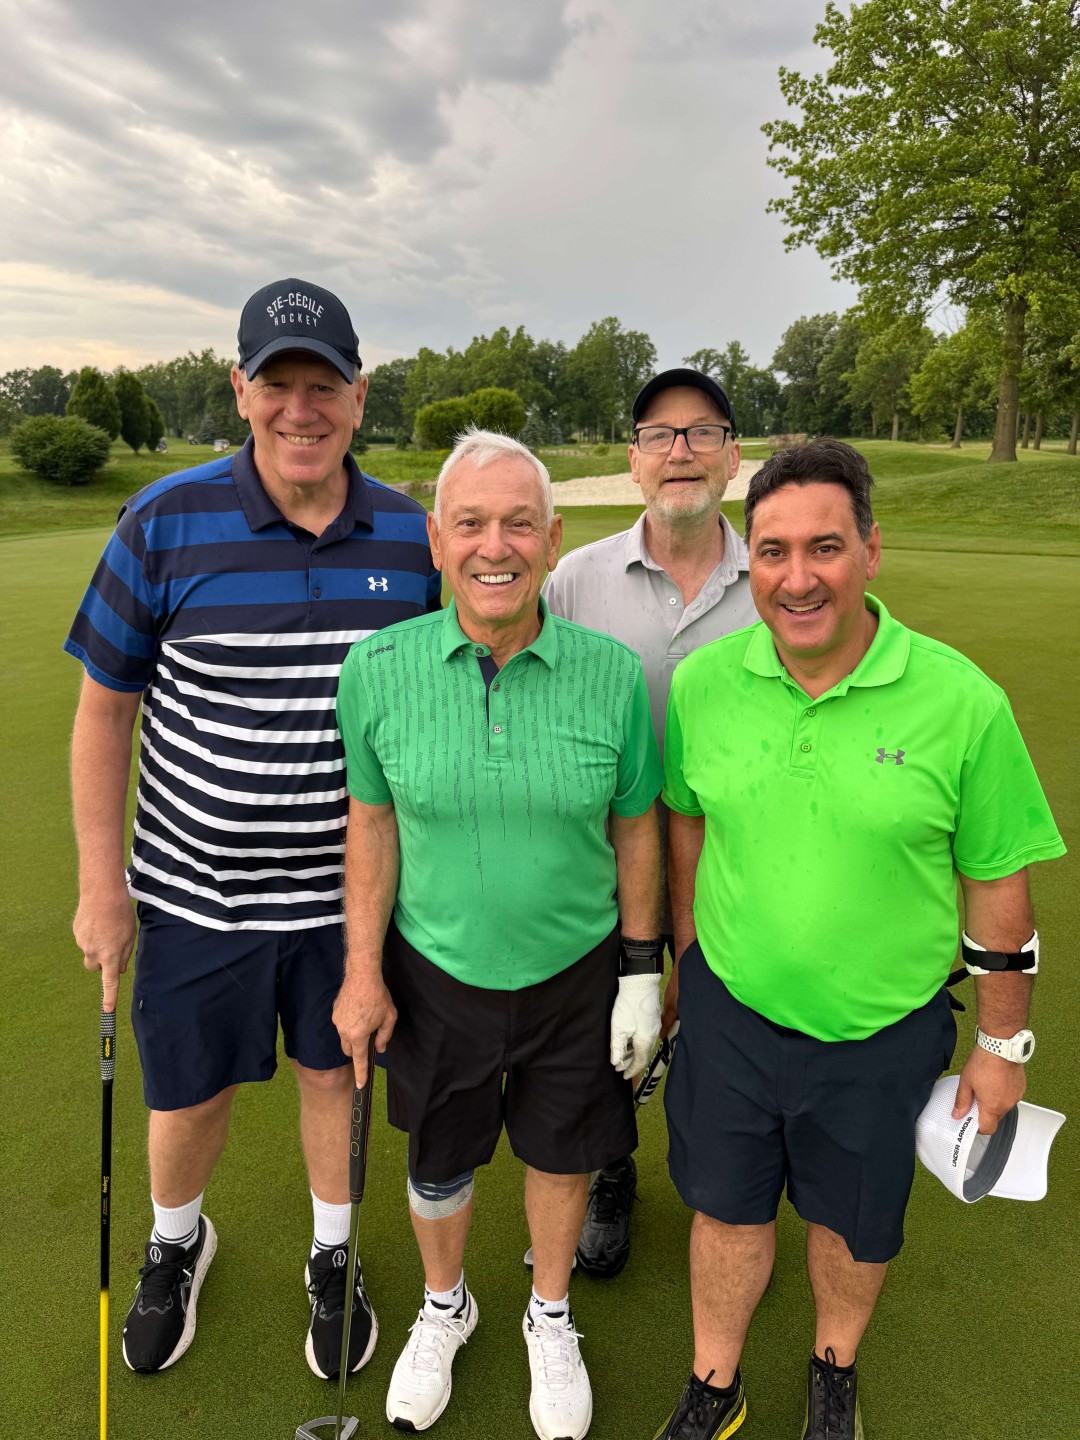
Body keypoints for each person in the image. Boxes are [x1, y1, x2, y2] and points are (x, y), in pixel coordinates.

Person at [65, 278, 441, 1380]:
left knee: (336, 1077)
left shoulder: (413, 535)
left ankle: (334, 1255)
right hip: (195, 892)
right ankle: (176, 1243)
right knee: (189, 1093)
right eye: (278, 384)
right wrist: (101, 885)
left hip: (347, 902)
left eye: (324, 385)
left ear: (359, 396)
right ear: (240, 390)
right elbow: (105, 711)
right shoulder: (163, 521)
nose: (300, 409)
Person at [654, 440, 1065, 1440]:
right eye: (775, 551)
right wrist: (686, 963)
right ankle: (716, 1381)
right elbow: (686, 824)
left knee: (853, 1225)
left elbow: (998, 884)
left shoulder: (961, 702)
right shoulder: (704, 685)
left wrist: (1002, 1046)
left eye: (826, 547)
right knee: (726, 1211)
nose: (798, 578)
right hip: (732, 1012)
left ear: (871, 551)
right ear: (750, 561)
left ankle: (832, 1365)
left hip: (884, 1031)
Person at [334, 429, 664, 1440]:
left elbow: (636, 826)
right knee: (438, 1160)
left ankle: (548, 1312)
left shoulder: (613, 675)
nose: (495, 546)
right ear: (437, 541)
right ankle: (447, 1306)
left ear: (552, 541)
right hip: (436, 971)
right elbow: (372, 826)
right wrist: (361, 972)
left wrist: (641, 973)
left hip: (576, 971)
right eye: (470, 523)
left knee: (562, 1156)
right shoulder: (376, 670)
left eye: (520, 523)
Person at [544, 367, 758, 1277]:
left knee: (725, 1035)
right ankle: (611, 1170)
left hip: (739, 865)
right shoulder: (574, 580)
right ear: (634, 460)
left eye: (702, 432)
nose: (681, 451)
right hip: (607, 862)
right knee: (605, 1033)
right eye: (660, 435)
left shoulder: (775, 576)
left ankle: (734, 1192)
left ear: (733, 457)